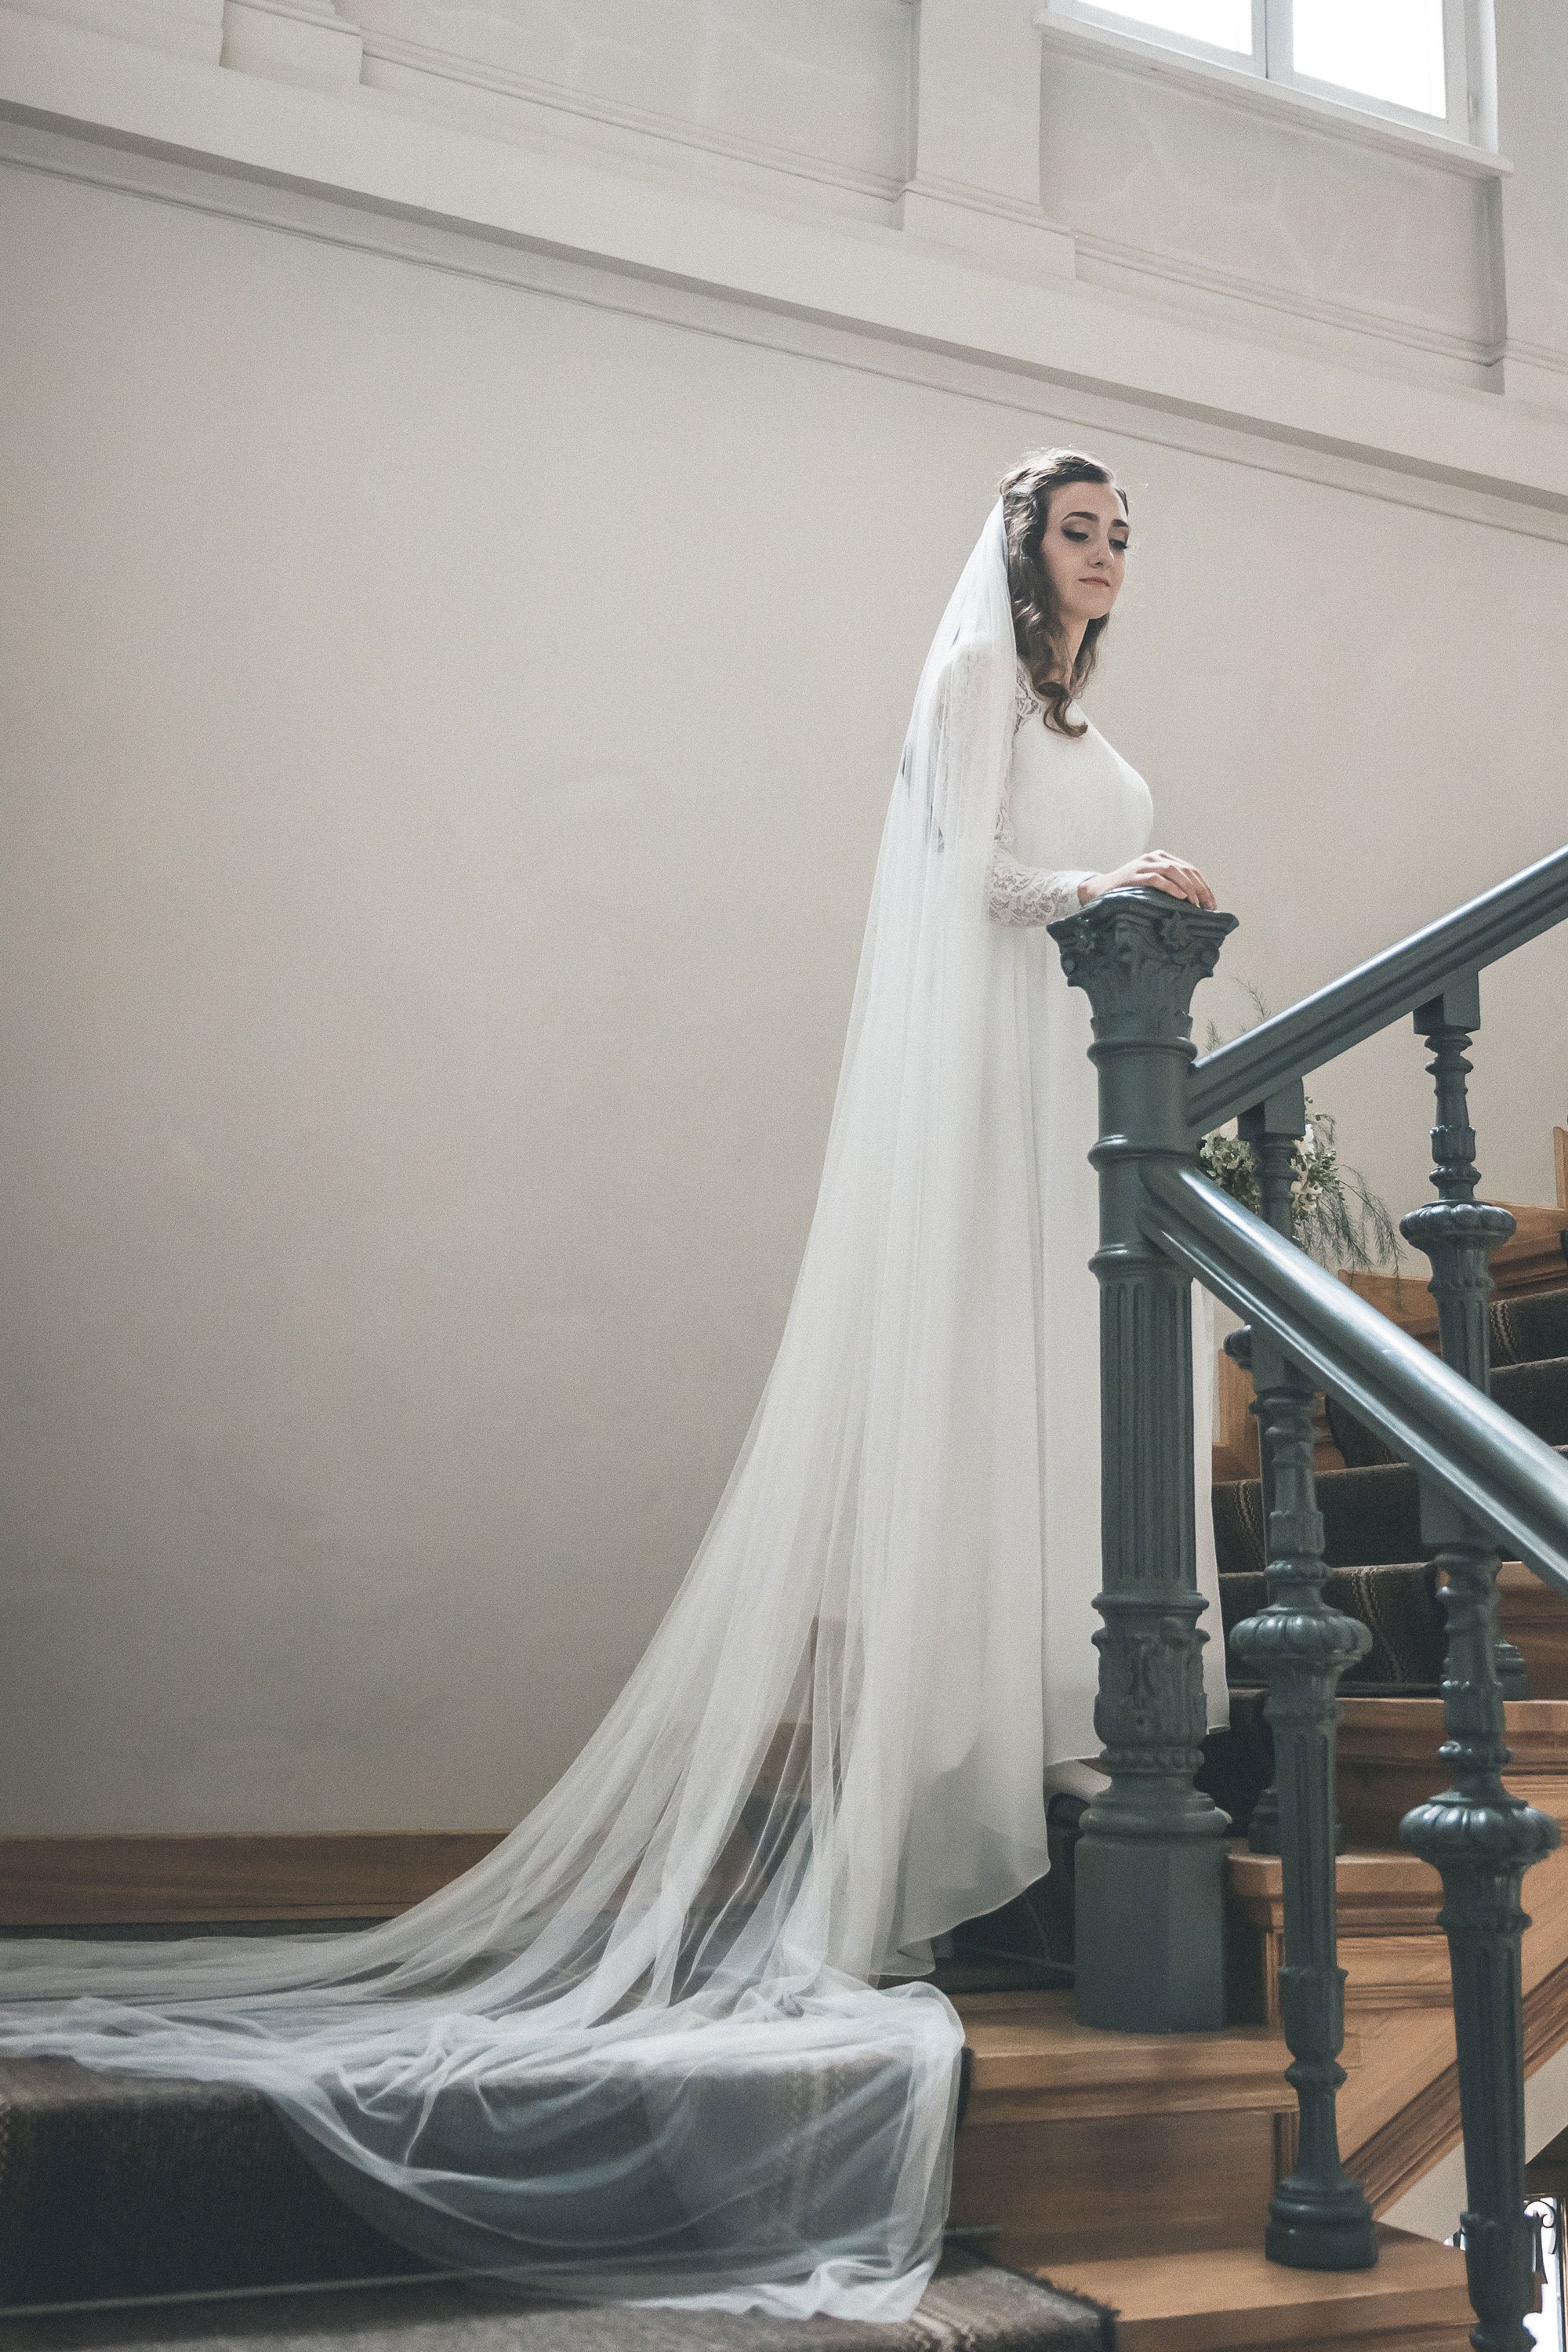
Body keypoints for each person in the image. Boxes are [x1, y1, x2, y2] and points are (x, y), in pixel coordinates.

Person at [0, 450, 1225, 2323]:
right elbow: (962, 875)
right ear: (1017, 548)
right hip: (1003, 1071)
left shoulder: (1079, 712)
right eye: (1081, 530)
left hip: (1075, 1072)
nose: (1108, 554)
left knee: (1092, 1350)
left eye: (1122, 535)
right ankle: (959, 1771)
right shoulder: (978, 678)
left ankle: (1061, 1702)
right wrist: (1102, 879)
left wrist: (1126, 882)